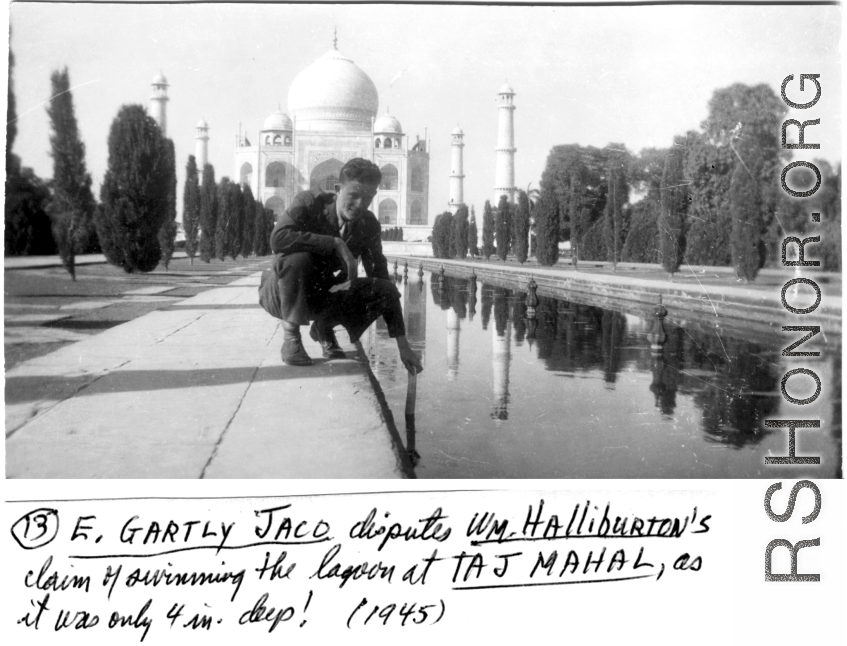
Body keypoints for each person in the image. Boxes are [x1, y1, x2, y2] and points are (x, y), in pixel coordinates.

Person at [258, 157, 423, 374]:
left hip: (320, 294)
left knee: (383, 289)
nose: (360, 204)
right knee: (298, 259)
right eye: (353, 195)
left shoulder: (368, 224)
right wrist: (334, 243)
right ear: (338, 189)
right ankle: (291, 338)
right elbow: (278, 238)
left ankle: (324, 328)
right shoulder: (309, 203)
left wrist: (403, 345)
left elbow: (382, 282)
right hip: (281, 291)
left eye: (368, 198)